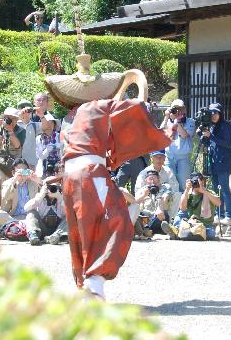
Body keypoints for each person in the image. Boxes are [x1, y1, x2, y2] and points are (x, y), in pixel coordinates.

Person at [61, 99, 171, 300]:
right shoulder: (99, 105)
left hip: (69, 176)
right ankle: (95, 282)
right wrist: (148, 108)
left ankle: (85, 284)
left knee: (83, 230)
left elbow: (109, 145)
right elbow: (135, 107)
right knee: (119, 219)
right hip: (89, 172)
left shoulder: (72, 116)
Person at [200, 102, 231, 226]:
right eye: (212, 113)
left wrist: (212, 136)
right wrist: (204, 135)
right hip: (213, 162)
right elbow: (208, 142)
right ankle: (219, 215)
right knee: (216, 190)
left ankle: (230, 216)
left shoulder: (225, 126)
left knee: (224, 189)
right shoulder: (210, 126)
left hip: (223, 162)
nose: (214, 115)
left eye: (216, 113)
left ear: (221, 114)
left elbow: (229, 144)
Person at [0, 108, 26, 213]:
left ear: (17, 120)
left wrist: (10, 130)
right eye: (8, 118)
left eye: (13, 118)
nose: (10, 121)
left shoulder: (21, 130)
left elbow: (18, 145)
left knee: (7, 193)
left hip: (10, 167)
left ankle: (4, 218)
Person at [162, 172, 221, 240]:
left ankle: (179, 234)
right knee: (180, 215)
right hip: (189, 222)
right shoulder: (188, 193)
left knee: (211, 234)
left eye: (200, 180)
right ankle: (181, 231)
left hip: (204, 224)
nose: (198, 183)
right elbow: (182, 208)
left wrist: (204, 192)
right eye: (195, 181)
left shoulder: (209, 192)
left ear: (203, 181)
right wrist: (186, 190)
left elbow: (218, 203)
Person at [0, 159, 42, 230]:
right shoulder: (7, 183)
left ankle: (17, 228)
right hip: (13, 217)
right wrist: (15, 180)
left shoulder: (33, 183)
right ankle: (21, 226)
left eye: (25, 170)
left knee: (33, 217)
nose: (23, 173)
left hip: (30, 216)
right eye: (20, 171)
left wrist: (37, 180)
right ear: (13, 172)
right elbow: (5, 197)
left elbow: (46, 191)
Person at [160, 99, 194, 191]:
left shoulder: (190, 121)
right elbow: (160, 131)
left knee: (184, 184)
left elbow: (184, 134)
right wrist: (167, 117)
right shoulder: (168, 121)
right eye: (175, 109)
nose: (178, 111)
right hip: (169, 157)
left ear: (184, 109)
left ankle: (184, 205)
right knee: (169, 184)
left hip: (183, 157)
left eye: (181, 109)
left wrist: (176, 121)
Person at [134, 171, 173, 237]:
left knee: (162, 217)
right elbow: (133, 203)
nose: (153, 181)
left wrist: (159, 208)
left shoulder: (165, 187)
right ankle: (147, 231)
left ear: (159, 179)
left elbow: (165, 198)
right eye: (150, 179)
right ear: (146, 180)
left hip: (160, 217)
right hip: (146, 218)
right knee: (138, 216)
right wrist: (143, 195)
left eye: (155, 179)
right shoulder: (142, 190)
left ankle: (146, 231)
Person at [17, 100, 41, 170]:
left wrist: (41, 114)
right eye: (22, 109)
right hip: (15, 164)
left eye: (28, 110)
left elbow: (48, 127)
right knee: (17, 179)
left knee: (29, 180)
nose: (25, 112)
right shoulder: (13, 124)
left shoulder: (35, 125)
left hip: (30, 165)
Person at [35, 114, 61, 178]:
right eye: (46, 123)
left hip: (59, 167)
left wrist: (59, 147)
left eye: (51, 123)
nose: (48, 126)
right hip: (44, 168)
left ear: (54, 125)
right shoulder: (39, 138)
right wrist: (46, 151)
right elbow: (39, 156)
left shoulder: (59, 136)